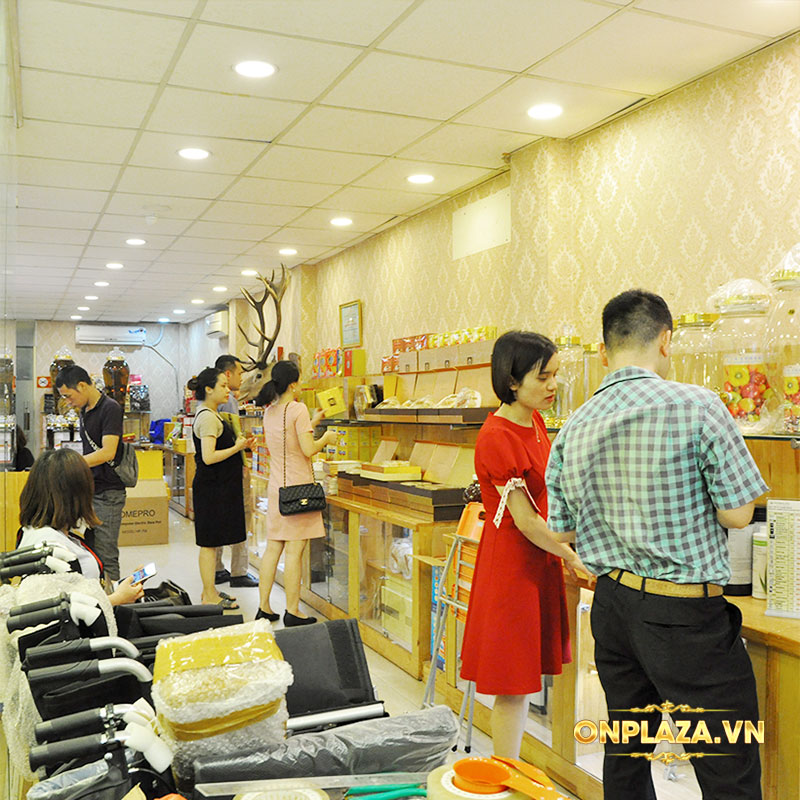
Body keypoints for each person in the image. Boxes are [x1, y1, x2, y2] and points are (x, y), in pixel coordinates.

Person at [546, 290, 769, 800]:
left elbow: (562, 529)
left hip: (611, 606)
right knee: (727, 767)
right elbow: (737, 514)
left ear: (604, 350)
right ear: (666, 339)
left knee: (626, 752)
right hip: (684, 615)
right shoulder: (698, 405)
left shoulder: (575, 423)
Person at [459, 331, 588, 758]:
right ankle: (504, 771)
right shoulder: (497, 437)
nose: (553, 385)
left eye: (555, 375)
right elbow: (526, 520)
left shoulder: (534, 421)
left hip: (538, 558)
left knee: (527, 677)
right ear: (512, 381)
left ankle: (509, 769)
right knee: (513, 685)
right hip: (513, 567)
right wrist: (570, 555)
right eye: (542, 377)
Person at [255, 360, 337, 627]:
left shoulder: (270, 411)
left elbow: (287, 439)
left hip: (277, 488)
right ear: (292, 384)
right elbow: (308, 449)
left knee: (273, 548)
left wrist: (313, 422)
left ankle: (264, 607)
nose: (301, 386)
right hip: (299, 490)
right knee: (294, 551)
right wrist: (326, 438)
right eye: (299, 382)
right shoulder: (297, 409)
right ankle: (292, 610)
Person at [18, 448, 144, 606]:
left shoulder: (37, 532)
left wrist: (120, 590)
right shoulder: (51, 546)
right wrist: (117, 599)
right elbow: (59, 611)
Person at [189, 367, 255, 609]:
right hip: (211, 489)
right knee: (208, 544)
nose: (228, 390)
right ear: (208, 389)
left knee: (212, 541)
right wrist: (237, 447)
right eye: (223, 386)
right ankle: (209, 594)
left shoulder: (213, 415)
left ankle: (211, 591)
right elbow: (208, 457)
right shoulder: (207, 417)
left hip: (218, 488)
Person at [56, 365, 126, 581]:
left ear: (82, 385)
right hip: (91, 488)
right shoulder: (85, 410)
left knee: (106, 553)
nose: (68, 402)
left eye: (68, 396)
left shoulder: (110, 408)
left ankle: (114, 597)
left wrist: (72, 464)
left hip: (109, 492)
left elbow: (108, 452)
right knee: (91, 548)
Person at [213, 353, 258, 589]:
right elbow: (233, 436)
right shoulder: (228, 399)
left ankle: (217, 568)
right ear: (228, 374)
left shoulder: (209, 405)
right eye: (240, 373)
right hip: (231, 469)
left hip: (217, 472)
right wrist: (243, 449)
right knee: (241, 515)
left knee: (219, 516)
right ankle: (239, 571)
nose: (242, 378)